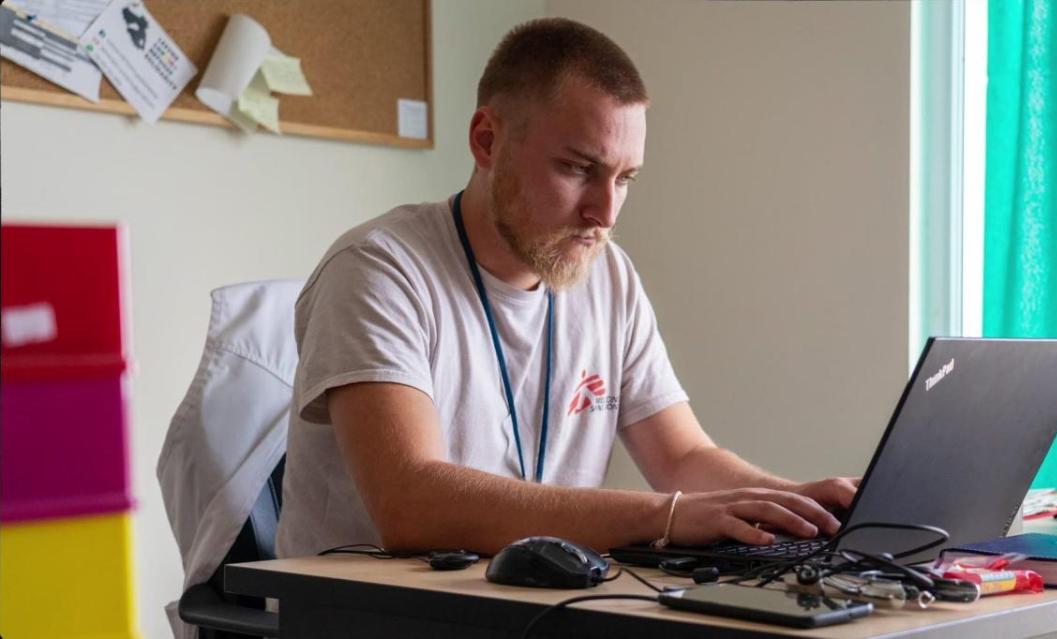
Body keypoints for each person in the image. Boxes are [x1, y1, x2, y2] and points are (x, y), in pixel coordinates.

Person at [276, 17, 858, 558]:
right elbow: (411, 504)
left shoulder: (609, 275)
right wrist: (667, 517)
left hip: (524, 610)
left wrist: (800, 506)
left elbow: (681, 457)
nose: (605, 212)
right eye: (579, 169)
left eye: (624, 178)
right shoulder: (380, 270)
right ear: (486, 140)